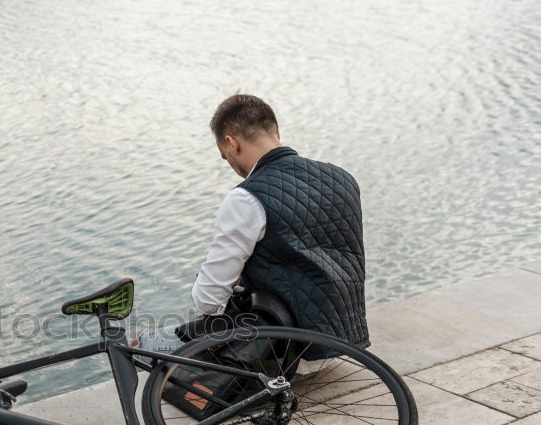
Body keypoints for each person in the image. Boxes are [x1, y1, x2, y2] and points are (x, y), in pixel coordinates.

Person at [139, 94, 369, 364]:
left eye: (225, 157)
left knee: (145, 342)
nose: (233, 167)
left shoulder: (247, 198)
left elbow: (209, 301)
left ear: (232, 143)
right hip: (341, 343)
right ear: (275, 132)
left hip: (281, 351)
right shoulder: (342, 178)